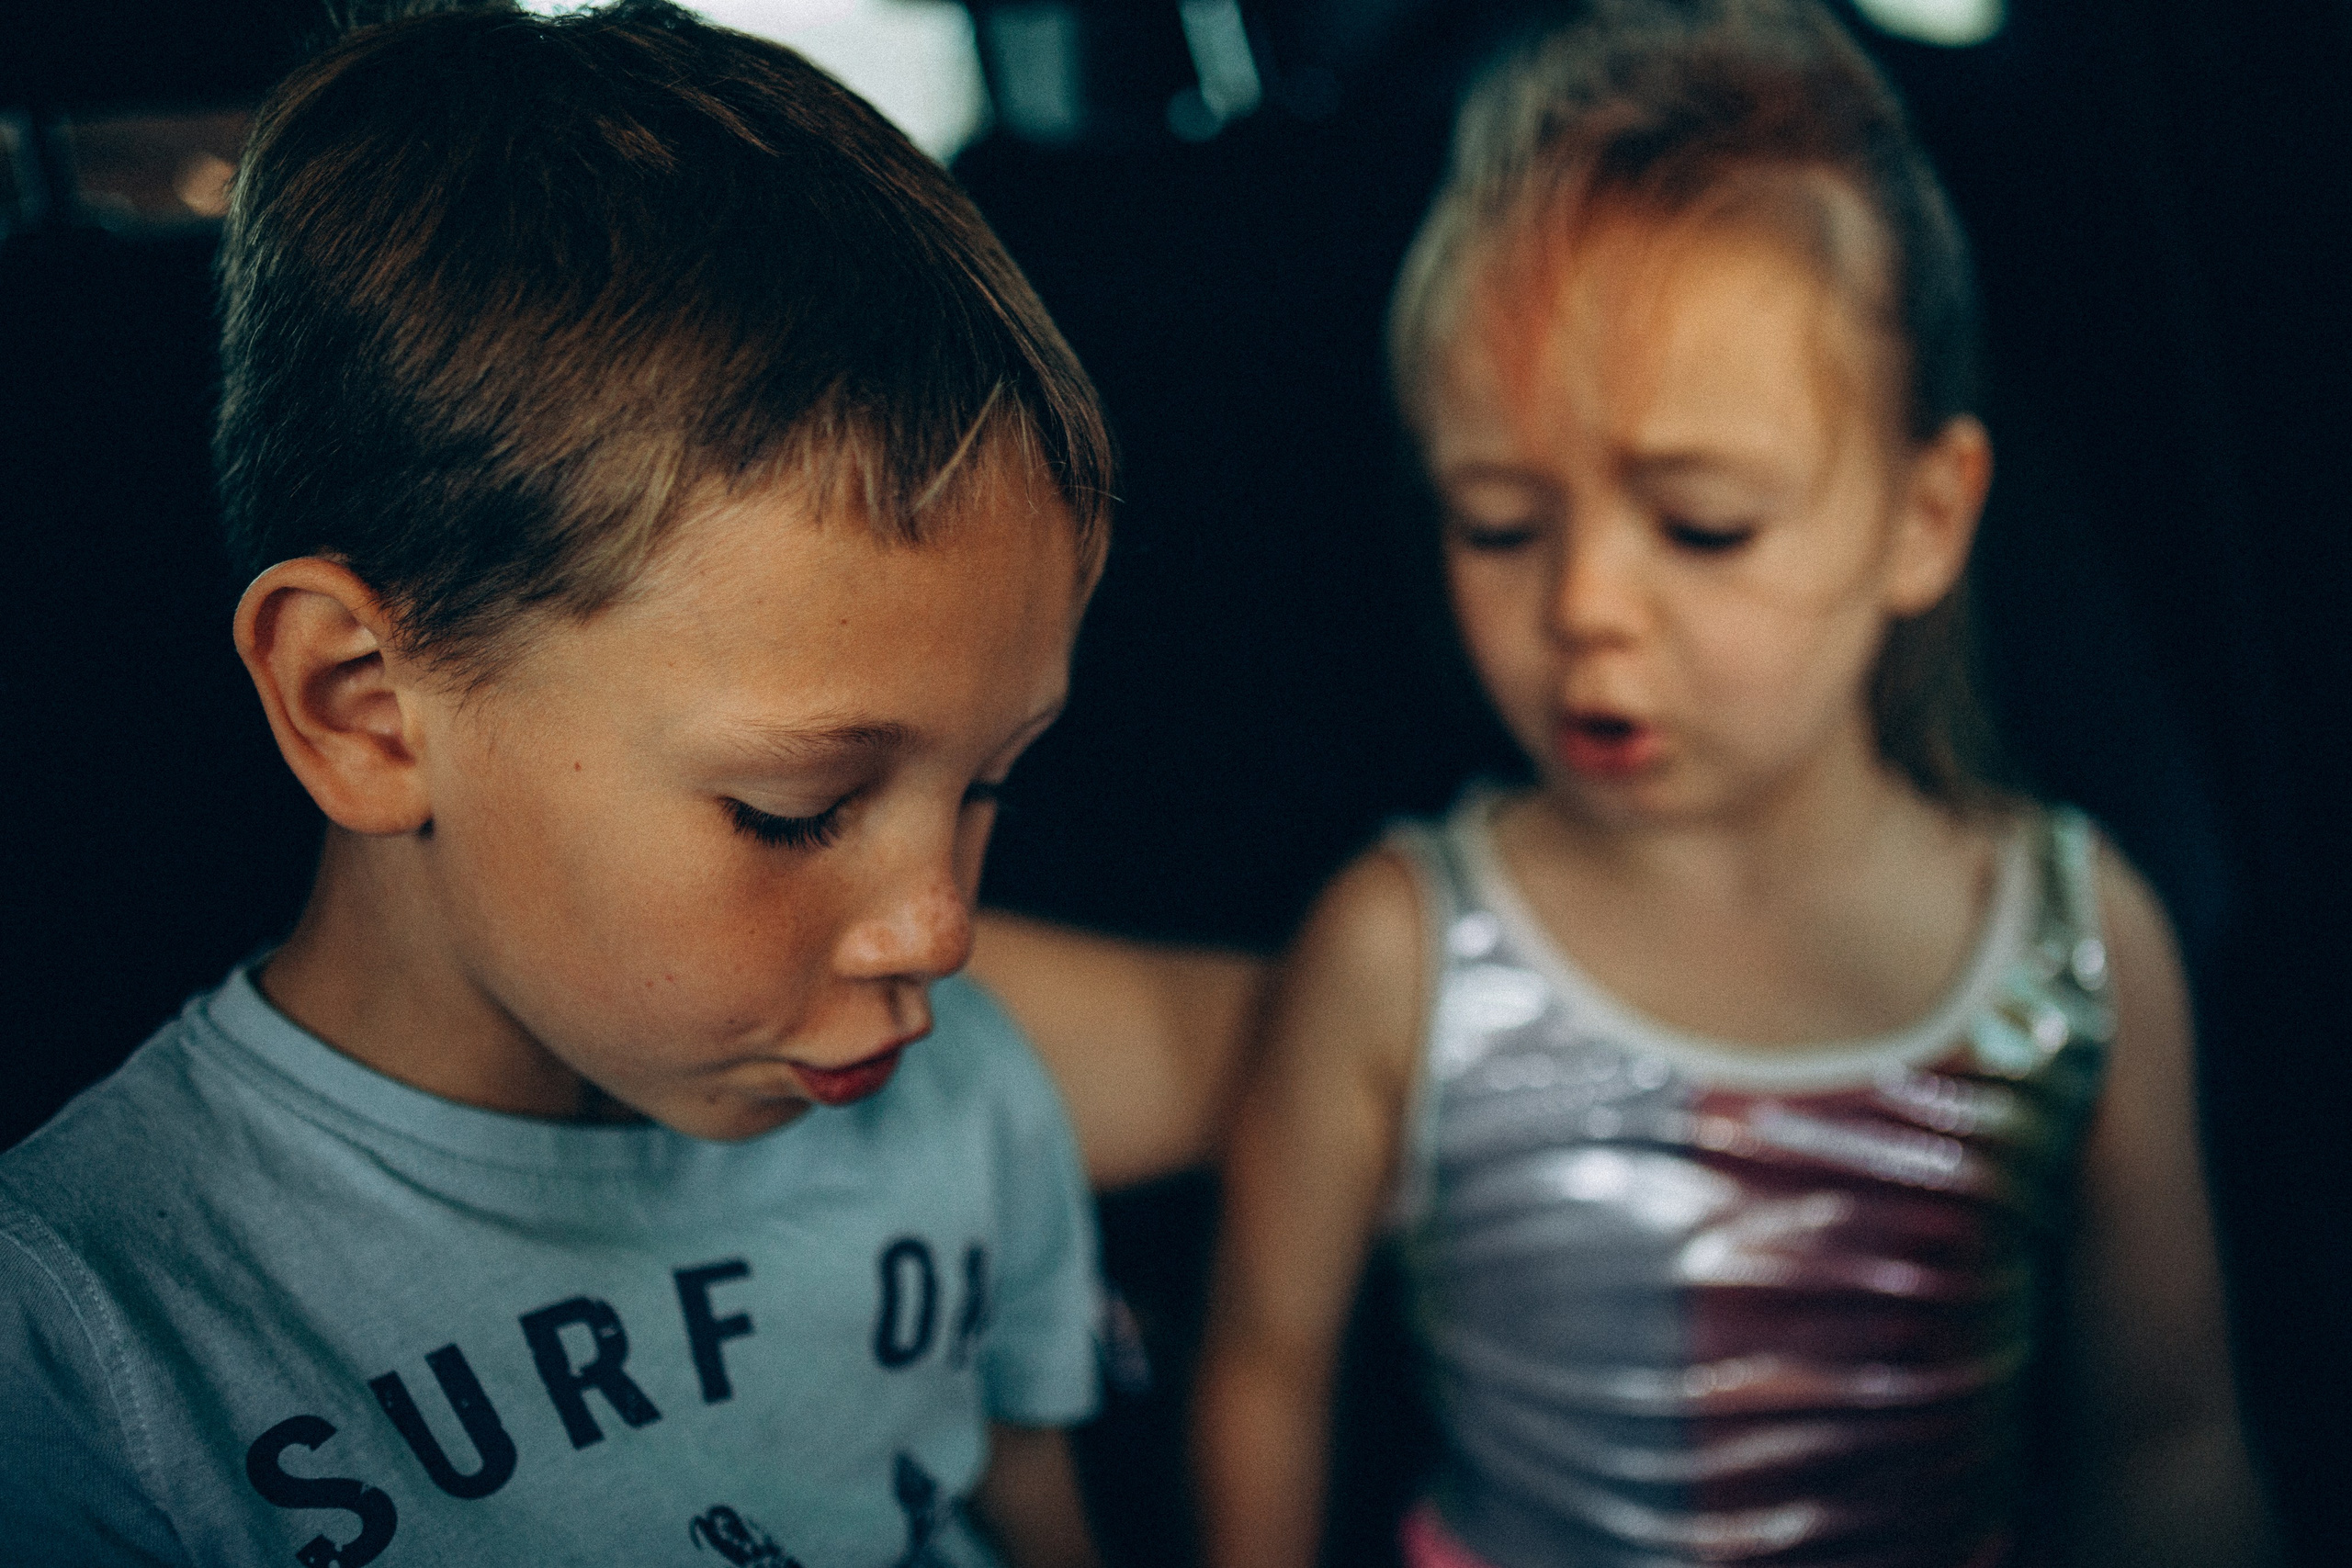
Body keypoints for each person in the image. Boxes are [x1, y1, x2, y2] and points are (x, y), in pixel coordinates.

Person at [0, 4, 1236, 1562]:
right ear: (364, 712)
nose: (938, 931)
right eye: (794, 811)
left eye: (989, 782)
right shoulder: (90, 1353)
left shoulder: (968, 1108)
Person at [1193, 4, 2276, 1566]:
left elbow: (2167, 1446)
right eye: (1499, 524)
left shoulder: (2078, 947)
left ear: (1924, 518)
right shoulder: (1399, 949)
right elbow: (1263, 1378)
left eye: (1702, 525)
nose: (1585, 607)